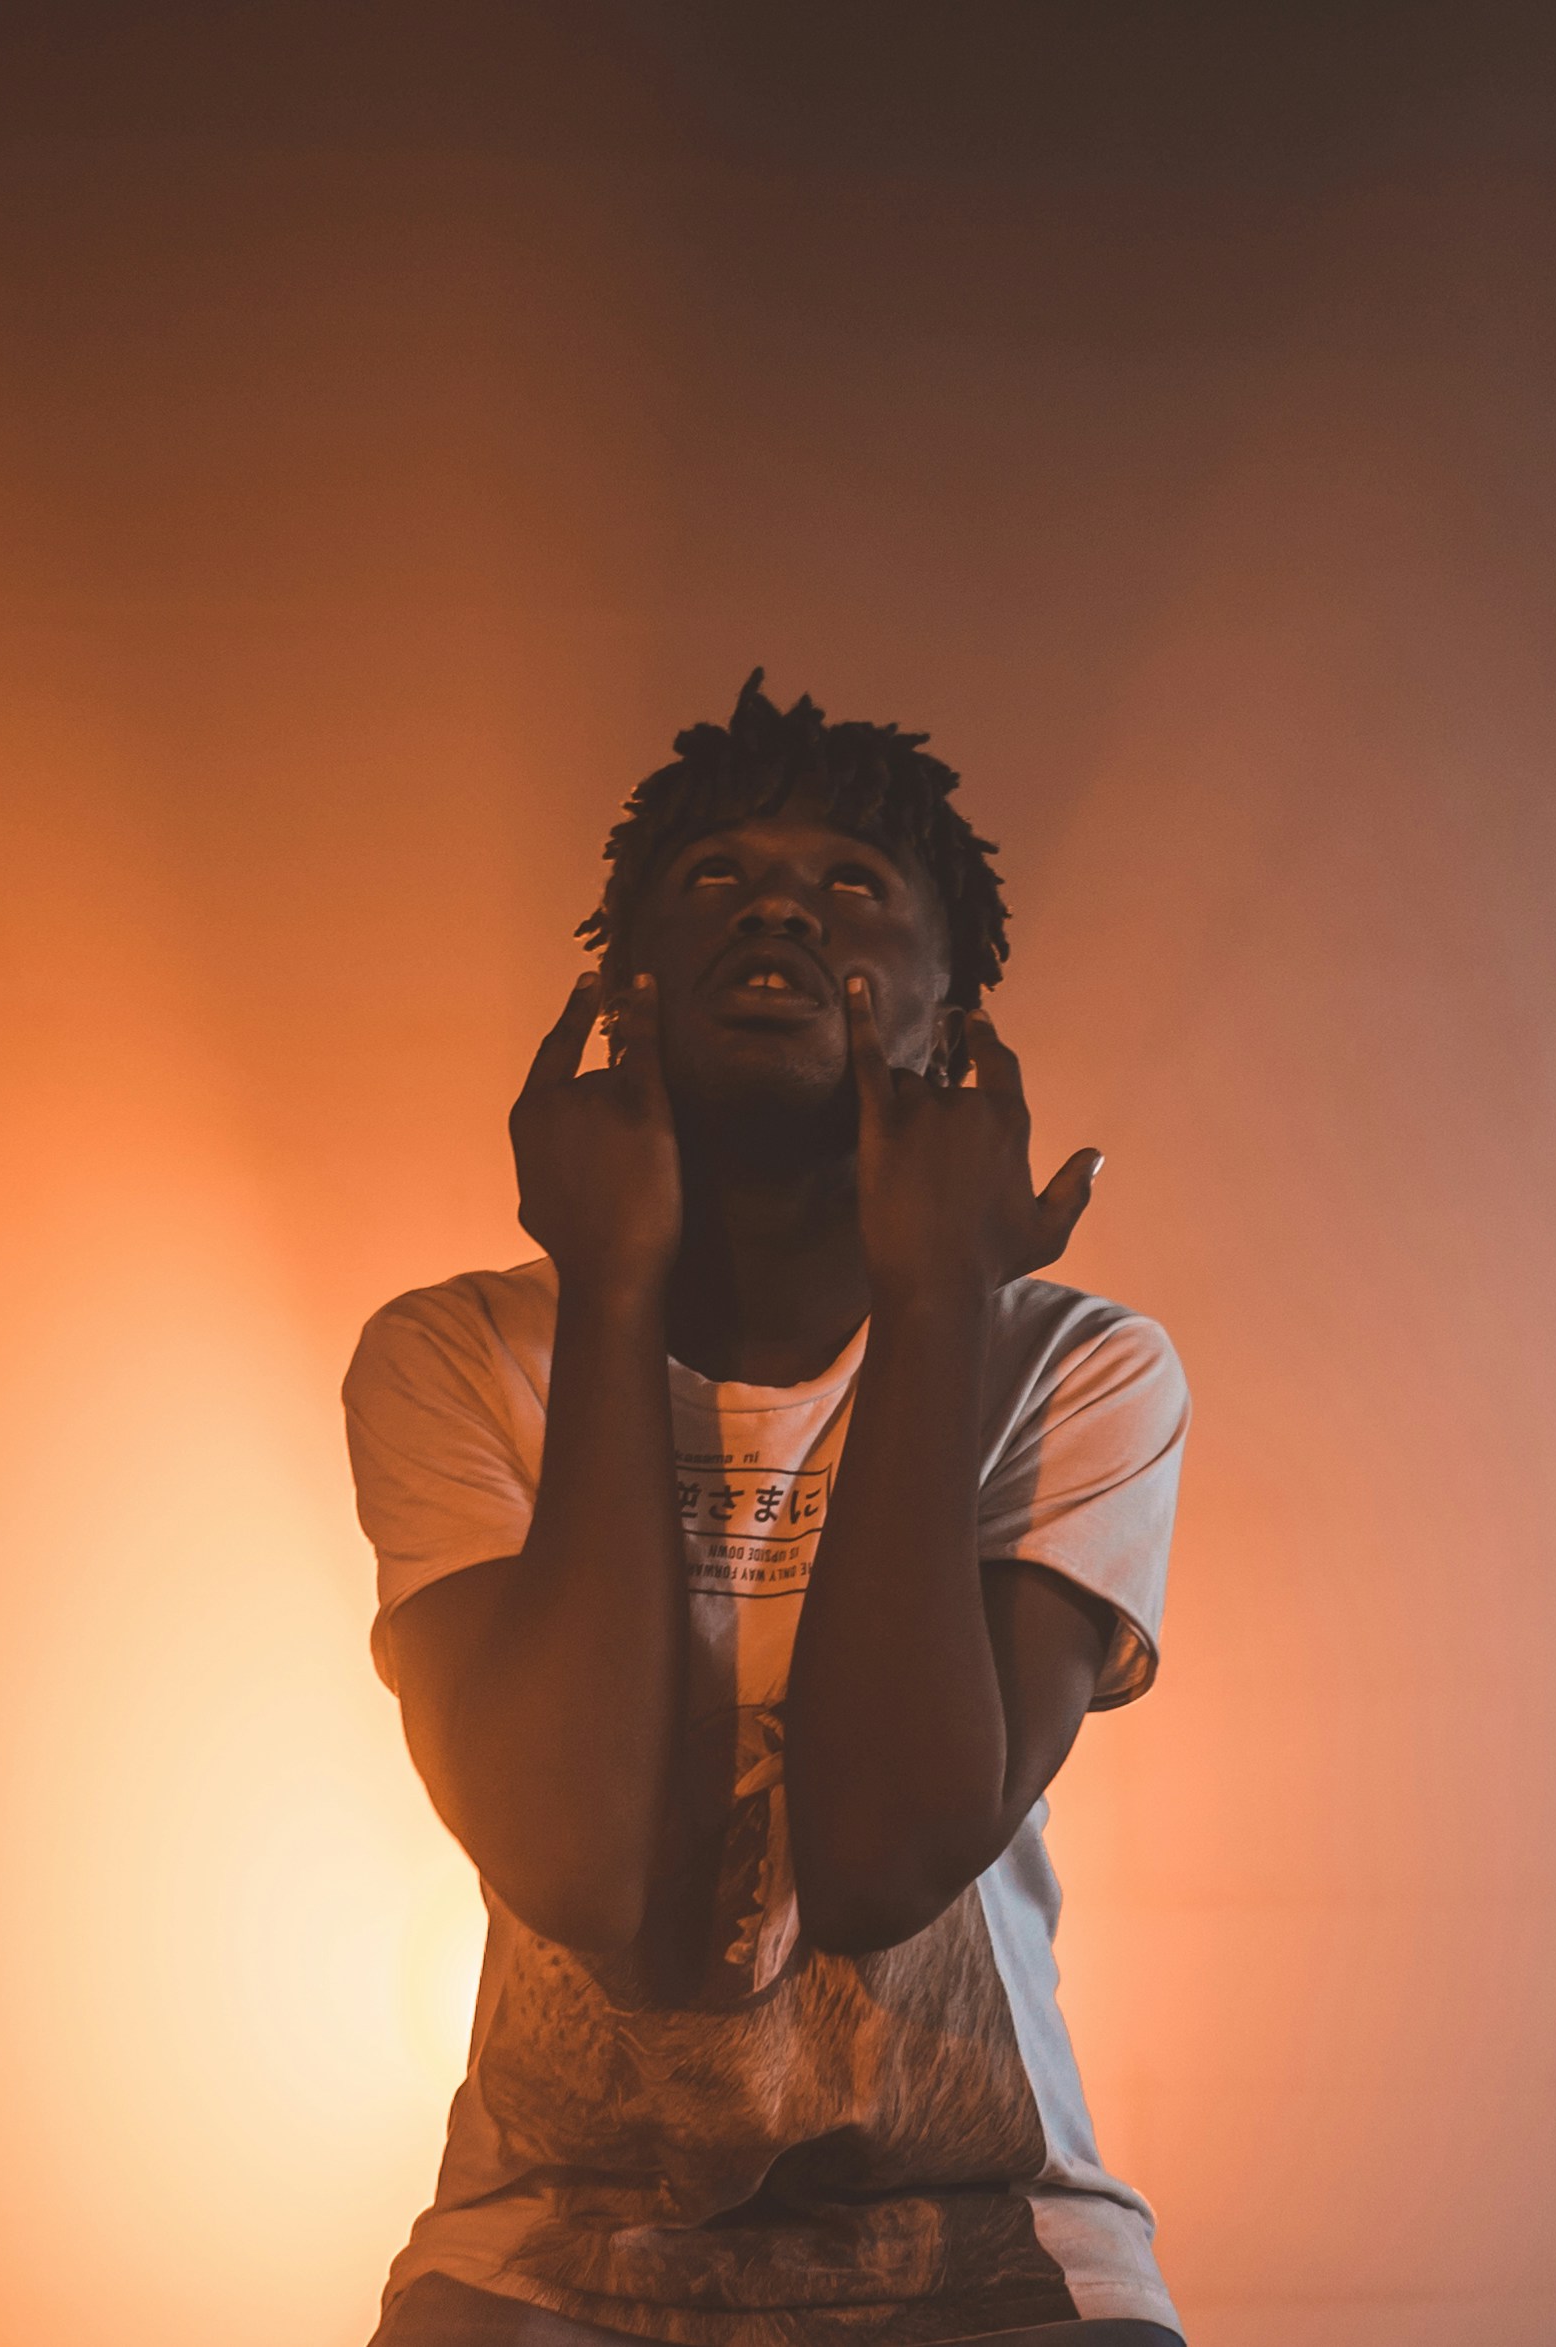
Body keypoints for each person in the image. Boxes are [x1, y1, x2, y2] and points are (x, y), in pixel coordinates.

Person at [344, 675, 1192, 2347]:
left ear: (953, 1025)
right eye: (720, 880)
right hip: (553, 2250)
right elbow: (577, 1863)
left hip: (983, 2248)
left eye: (855, 888)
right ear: (623, 990)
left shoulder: (1076, 1369)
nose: (785, 914)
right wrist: (616, 1280)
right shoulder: (457, 1355)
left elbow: (881, 1860)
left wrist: (937, 1295)